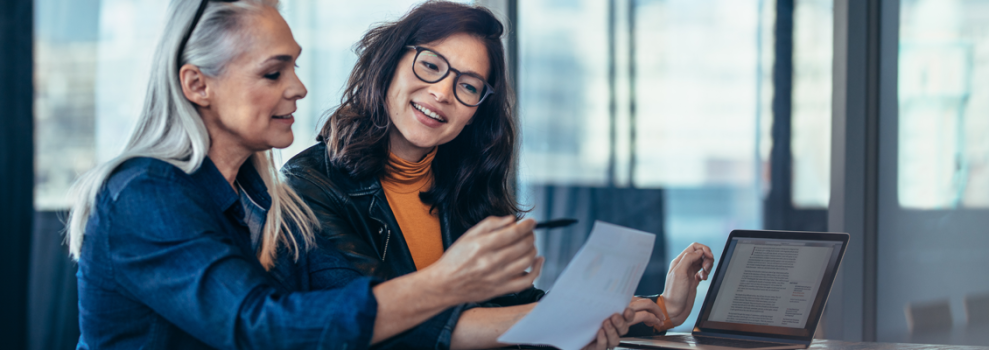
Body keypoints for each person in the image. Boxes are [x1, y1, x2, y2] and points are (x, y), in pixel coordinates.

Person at [66, 0, 579, 348]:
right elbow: (259, 329)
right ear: (198, 85)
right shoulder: (145, 192)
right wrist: (448, 282)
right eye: (273, 73)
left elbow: (347, 314)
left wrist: (592, 315)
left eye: (294, 67)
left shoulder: (266, 202)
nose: (299, 89)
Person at [281, 1, 716, 348]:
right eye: (430, 65)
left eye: (468, 86)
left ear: (475, 113)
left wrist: (663, 308)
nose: (442, 93)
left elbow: (515, 311)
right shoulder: (309, 185)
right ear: (390, 63)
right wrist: (566, 320)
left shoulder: (466, 188)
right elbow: (379, 323)